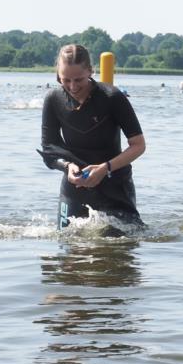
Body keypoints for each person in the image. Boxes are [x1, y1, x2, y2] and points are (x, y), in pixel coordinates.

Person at [39, 44, 147, 228]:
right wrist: (67, 167)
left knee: (122, 246)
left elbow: (138, 145)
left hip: (114, 185)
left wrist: (105, 168)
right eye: (65, 80)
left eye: (79, 80)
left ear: (90, 71)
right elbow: (49, 149)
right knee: (68, 245)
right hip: (74, 186)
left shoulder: (112, 97)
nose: (72, 87)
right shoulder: (53, 99)